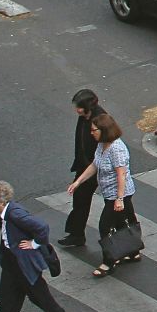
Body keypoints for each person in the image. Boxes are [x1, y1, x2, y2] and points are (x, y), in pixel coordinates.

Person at [0, 180, 75, 312]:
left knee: (38, 297)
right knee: (9, 300)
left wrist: (34, 244)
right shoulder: (6, 213)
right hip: (13, 263)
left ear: (1, 201)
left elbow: (42, 227)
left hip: (22, 264)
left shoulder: (14, 214)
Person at [67, 112, 139, 277]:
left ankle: (109, 261)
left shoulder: (116, 149)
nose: (91, 133)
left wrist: (119, 199)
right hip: (110, 193)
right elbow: (95, 164)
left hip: (118, 194)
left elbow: (121, 174)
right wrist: (78, 182)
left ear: (104, 130)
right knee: (123, 223)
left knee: (105, 227)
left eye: (94, 130)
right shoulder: (102, 144)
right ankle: (133, 252)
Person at [59, 89, 102, 249]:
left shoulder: (100, 119)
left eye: (79, 106)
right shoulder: (84, 117)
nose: (77, 109)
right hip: (85, 165)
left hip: (96, 167)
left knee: (109, 207)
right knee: (80, 199)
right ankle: (76, 233)